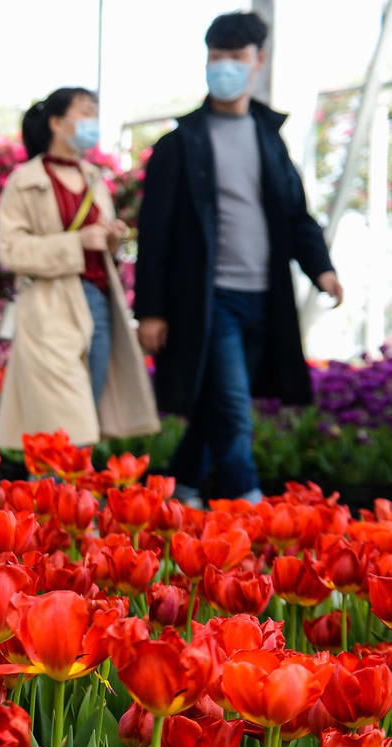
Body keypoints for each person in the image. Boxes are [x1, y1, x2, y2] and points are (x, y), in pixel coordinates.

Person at [135, 10, 342, 506]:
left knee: (220, 407)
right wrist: (152, 310)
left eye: (236, 57)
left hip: (263, 298)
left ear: (258, 61)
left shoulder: (270, 139)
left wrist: (322, 268)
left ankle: (177, 491)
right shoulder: (178, 145)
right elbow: (154, 234)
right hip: (208, 302)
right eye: (216, 57)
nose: (224, 66)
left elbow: (296, 215)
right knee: (231, 407)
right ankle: (247, 506)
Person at [0, 87, 159, 451]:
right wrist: (76, 242)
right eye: (84, 112)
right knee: (62, 422)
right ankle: (59, 502)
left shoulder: (95, 178)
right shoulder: (26, 180)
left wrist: (110, 238)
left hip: (98, 303)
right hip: (50, 306)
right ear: (56, 122)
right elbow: (9, 249)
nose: (91, 121)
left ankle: (68, 501)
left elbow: (101, 245)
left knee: (85, 411)